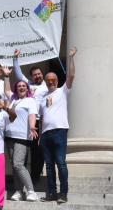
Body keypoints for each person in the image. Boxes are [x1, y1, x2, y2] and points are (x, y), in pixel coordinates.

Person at [39, 47, 77, 204]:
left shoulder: (62, 91)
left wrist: (71, 58)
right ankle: (52, 193)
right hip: (46, 134)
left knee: (60, 163)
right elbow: (41, 118)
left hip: (59, 131)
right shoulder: (42, 99)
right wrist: (41, 134)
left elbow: (72, 75)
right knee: (49, 166)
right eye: (48, 79)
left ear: (56, 80)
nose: (50, 81)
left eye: (53, 79)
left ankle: (63, 193)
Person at [3, 68, 39, 202]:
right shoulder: (13, 100)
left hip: (22, 137)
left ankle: (31, 191)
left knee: (18, 164)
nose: (21, 87)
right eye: (19, 86)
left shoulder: (30, 100)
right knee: (14, 165)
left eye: (24, 86)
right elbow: (7, 91)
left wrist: (32, 127)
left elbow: (32, 115)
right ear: (16, 89)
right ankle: (18, 191)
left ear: (27, 88)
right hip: (10, 136)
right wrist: (6, 76)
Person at [13, 49, 48, 181]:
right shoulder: (28, 85)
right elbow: (18, 74)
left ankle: (35, 176)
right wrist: (15, 59)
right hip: (25, 121)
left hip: (38, 121)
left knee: (37, 151)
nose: (37, 76)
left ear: (42, 74)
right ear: (32, 77)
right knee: (24, 149)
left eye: (39, 74)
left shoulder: (47, 86)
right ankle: (24, 176)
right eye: (35, 75)